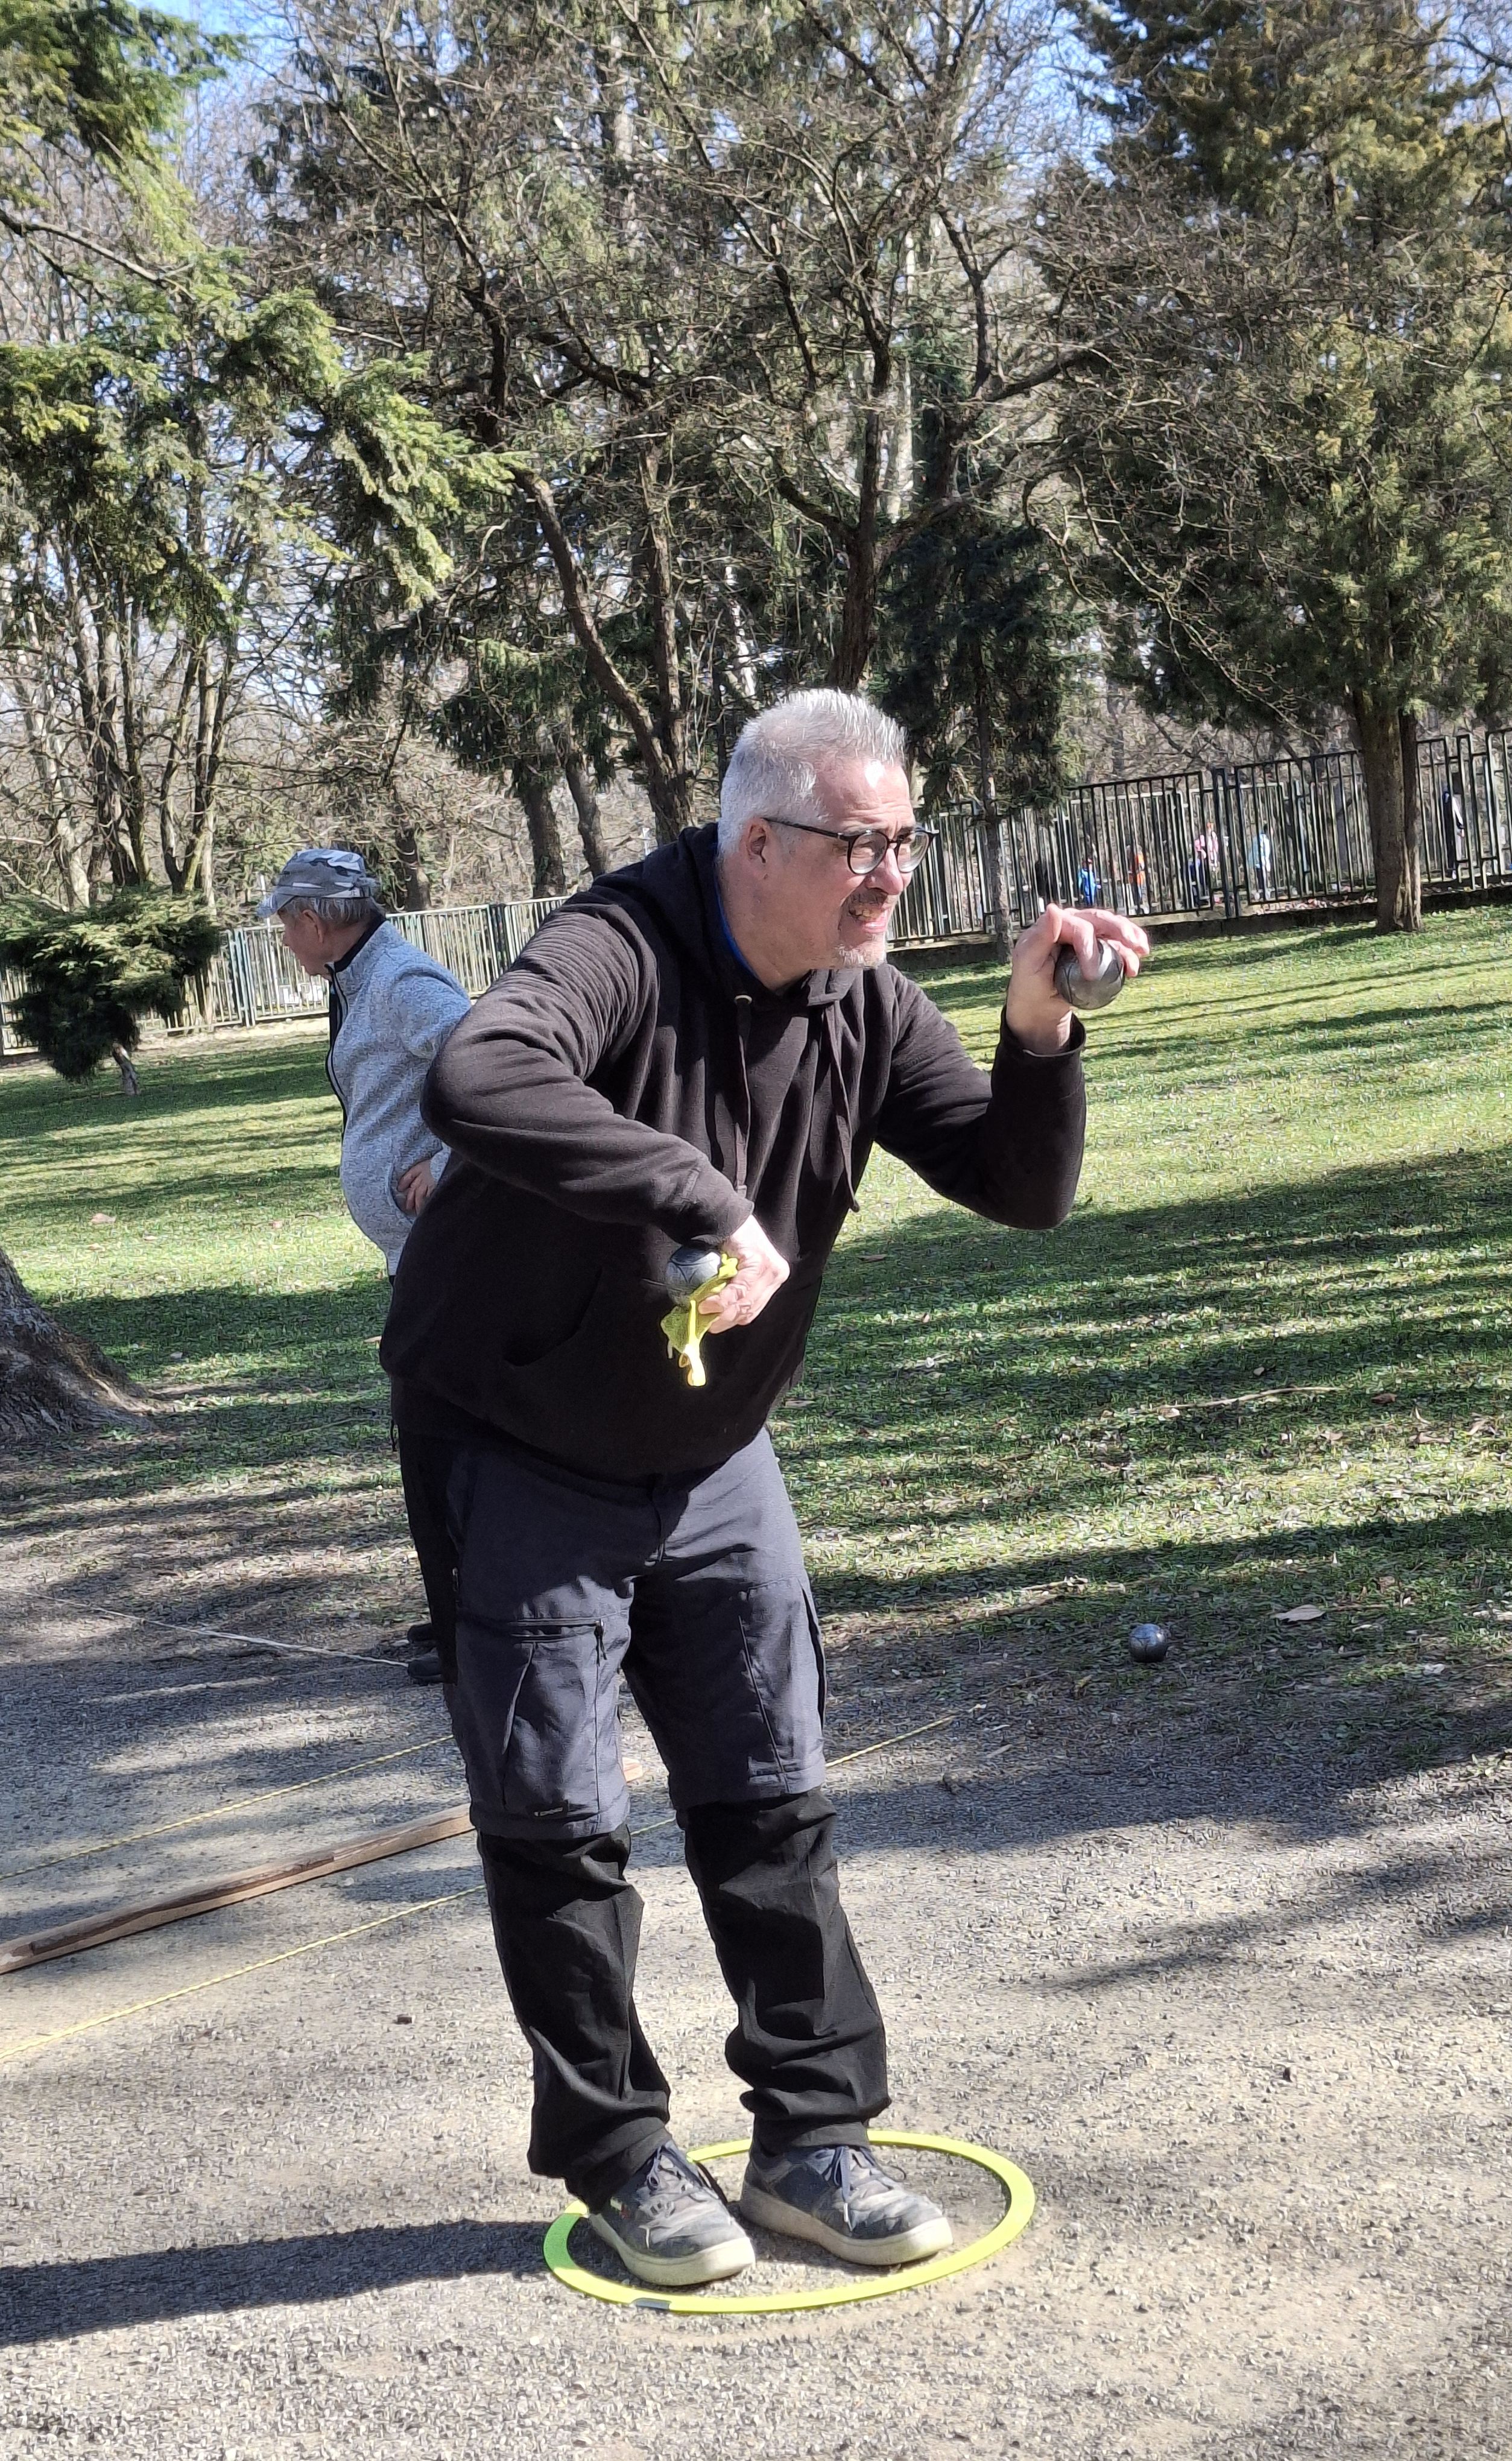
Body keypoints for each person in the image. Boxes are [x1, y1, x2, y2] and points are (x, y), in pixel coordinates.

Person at [381, 689, 1148, 2288]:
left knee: (770, 1788)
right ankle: (618, 2155)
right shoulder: (620, 945)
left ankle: (812, 2136)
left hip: (711, 1447)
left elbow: (1020, 1187)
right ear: (756, 844)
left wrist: (1036, 1033)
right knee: (559, 1816)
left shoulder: (868, 1001)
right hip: (514, 1437)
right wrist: (697, 1192)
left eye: (905, 842)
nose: (892, 876)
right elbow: (477, 1075)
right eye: (861, 846)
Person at [259, 847, 470, 1682]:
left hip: (445, 1256)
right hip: (414, 1254)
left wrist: (449, 1163)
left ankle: (473, 1632)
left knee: (440, 1443)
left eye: (285, 923)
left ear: (315, 920)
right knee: (429, 1441)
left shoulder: (403, 980)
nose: (283, 939)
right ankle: (456, 1610)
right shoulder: (362, 977)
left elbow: (503, 1066)